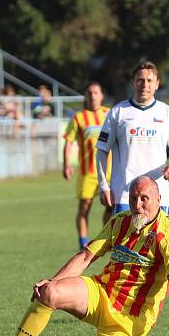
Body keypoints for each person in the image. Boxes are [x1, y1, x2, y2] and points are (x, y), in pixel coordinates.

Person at [0, 176, 169, 336]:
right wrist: (52, 281)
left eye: (144, 199)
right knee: (48, 292)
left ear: (159, 200)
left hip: (130, 319)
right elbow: (86, 257)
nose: (137, 205)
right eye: (133, 198)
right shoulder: (120, 221)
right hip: (101, 293)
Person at [96, 60, 169, 216]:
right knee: (123, 241)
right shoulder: (118, 112)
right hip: (125, 197)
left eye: (149, 80)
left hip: (158, 197)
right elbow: (101, 150)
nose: (145, 85)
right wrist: (104, 185)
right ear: (133, 83)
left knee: (159, 241)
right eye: (140, 80)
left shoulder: (168, 113)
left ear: (157, 84)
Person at [62, 81, 111, 250]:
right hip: (87, 172)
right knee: (84, 208)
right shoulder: (78, 117)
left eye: (96, 92)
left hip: (110, 171)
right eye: (89, 93)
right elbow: (68, 141)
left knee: (111, 207)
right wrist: (66, 164)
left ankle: (106, 238)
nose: (92, 96)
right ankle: (83, 242)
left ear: (102, 95)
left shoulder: (110, 114)